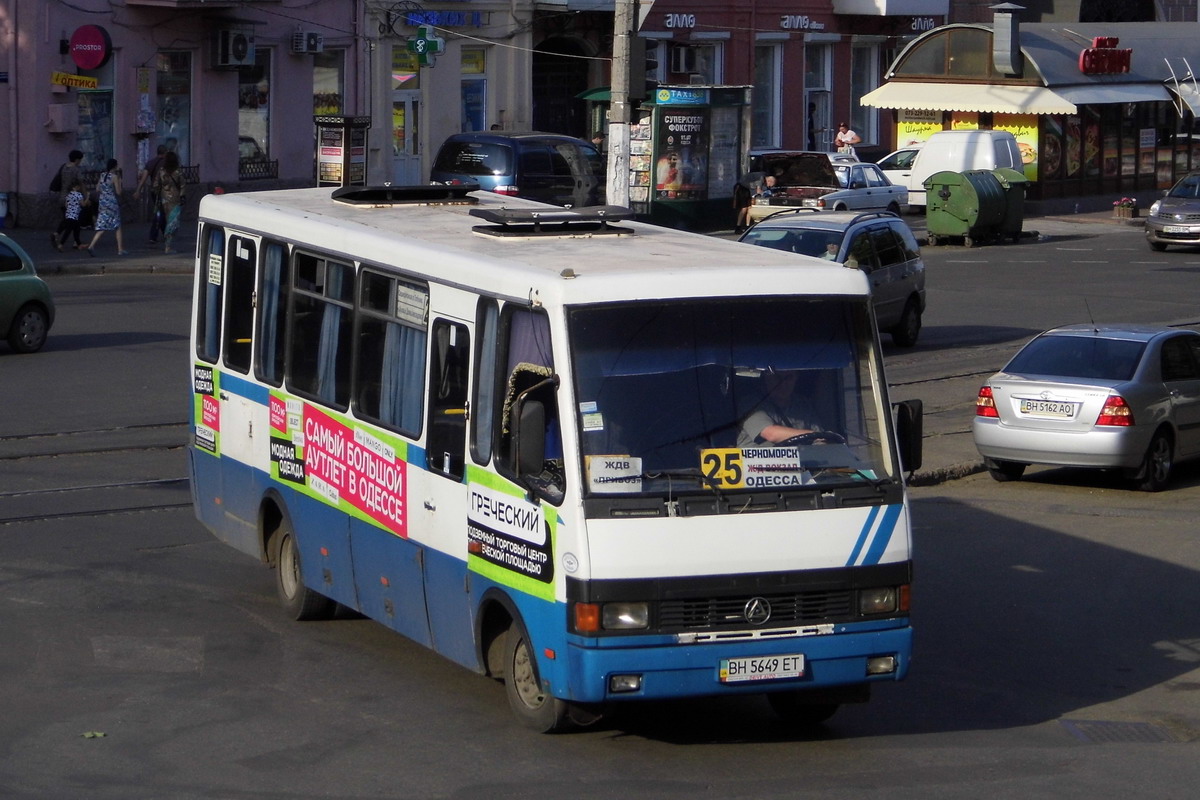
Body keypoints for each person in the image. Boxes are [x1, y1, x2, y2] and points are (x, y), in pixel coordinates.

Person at [738, 369, 821, 448]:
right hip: (756, 462)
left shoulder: (804, 405)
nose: (783, 383)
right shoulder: (750, 403)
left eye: (788, 378)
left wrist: (824, 439)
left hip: (801, 460)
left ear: (796, 378)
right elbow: (771, 434)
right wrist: (813, 435)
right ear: (767, 378)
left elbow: (820, 439)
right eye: (777, 377)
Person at [86, 159, 127, 257]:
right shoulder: (115, 177)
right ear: (115, 166)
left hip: (103, 202)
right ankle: (120, 249)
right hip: (111, 202)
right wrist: (120, 181)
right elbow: (118, 192)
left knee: (102, 225)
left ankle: (91, 245)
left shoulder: (103, 175)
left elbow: (97, 188)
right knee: (117, 225)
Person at [153, 151, 186, 254]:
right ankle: (168, 246)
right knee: (173, 222)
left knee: (168, 220)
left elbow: (155, 185)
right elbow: (183, 185)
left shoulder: (162, 171)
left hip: (164, 199)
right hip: (175, 200)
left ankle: (167, 244)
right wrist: (182, 196)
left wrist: (158, 193)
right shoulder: (178, 171)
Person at [135, 145, 168, 243]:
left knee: (160, 211)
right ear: (165, 153)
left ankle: (165, 233)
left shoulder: (150, 163)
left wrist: (138, 190)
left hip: (153, 191)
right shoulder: (166, 164)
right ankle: (153, 235)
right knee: (160, 212)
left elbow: (143, 178)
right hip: (163, 191)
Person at [52, 150, 84, 245]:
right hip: (73, 197)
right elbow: (81, 183)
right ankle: (59, 237)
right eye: (80, 160)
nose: (80, 162)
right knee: (73, 220)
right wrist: (85, 195)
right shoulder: (76, 170)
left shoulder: (63, 167)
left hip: (62, 196)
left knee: (70, 220)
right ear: (77, 159)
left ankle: (76, 242)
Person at [52, 179, 89, 252]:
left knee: (77, 229)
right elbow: (83, 204)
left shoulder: (68, 195)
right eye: (78, 187)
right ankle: (61, 244)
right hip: (75, 215)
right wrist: (87, 197)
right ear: (76, 187)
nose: (79, 188)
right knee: (68, 231)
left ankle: (79, 244)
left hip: (68, 214)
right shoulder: (78, 195)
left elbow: (66, 205)